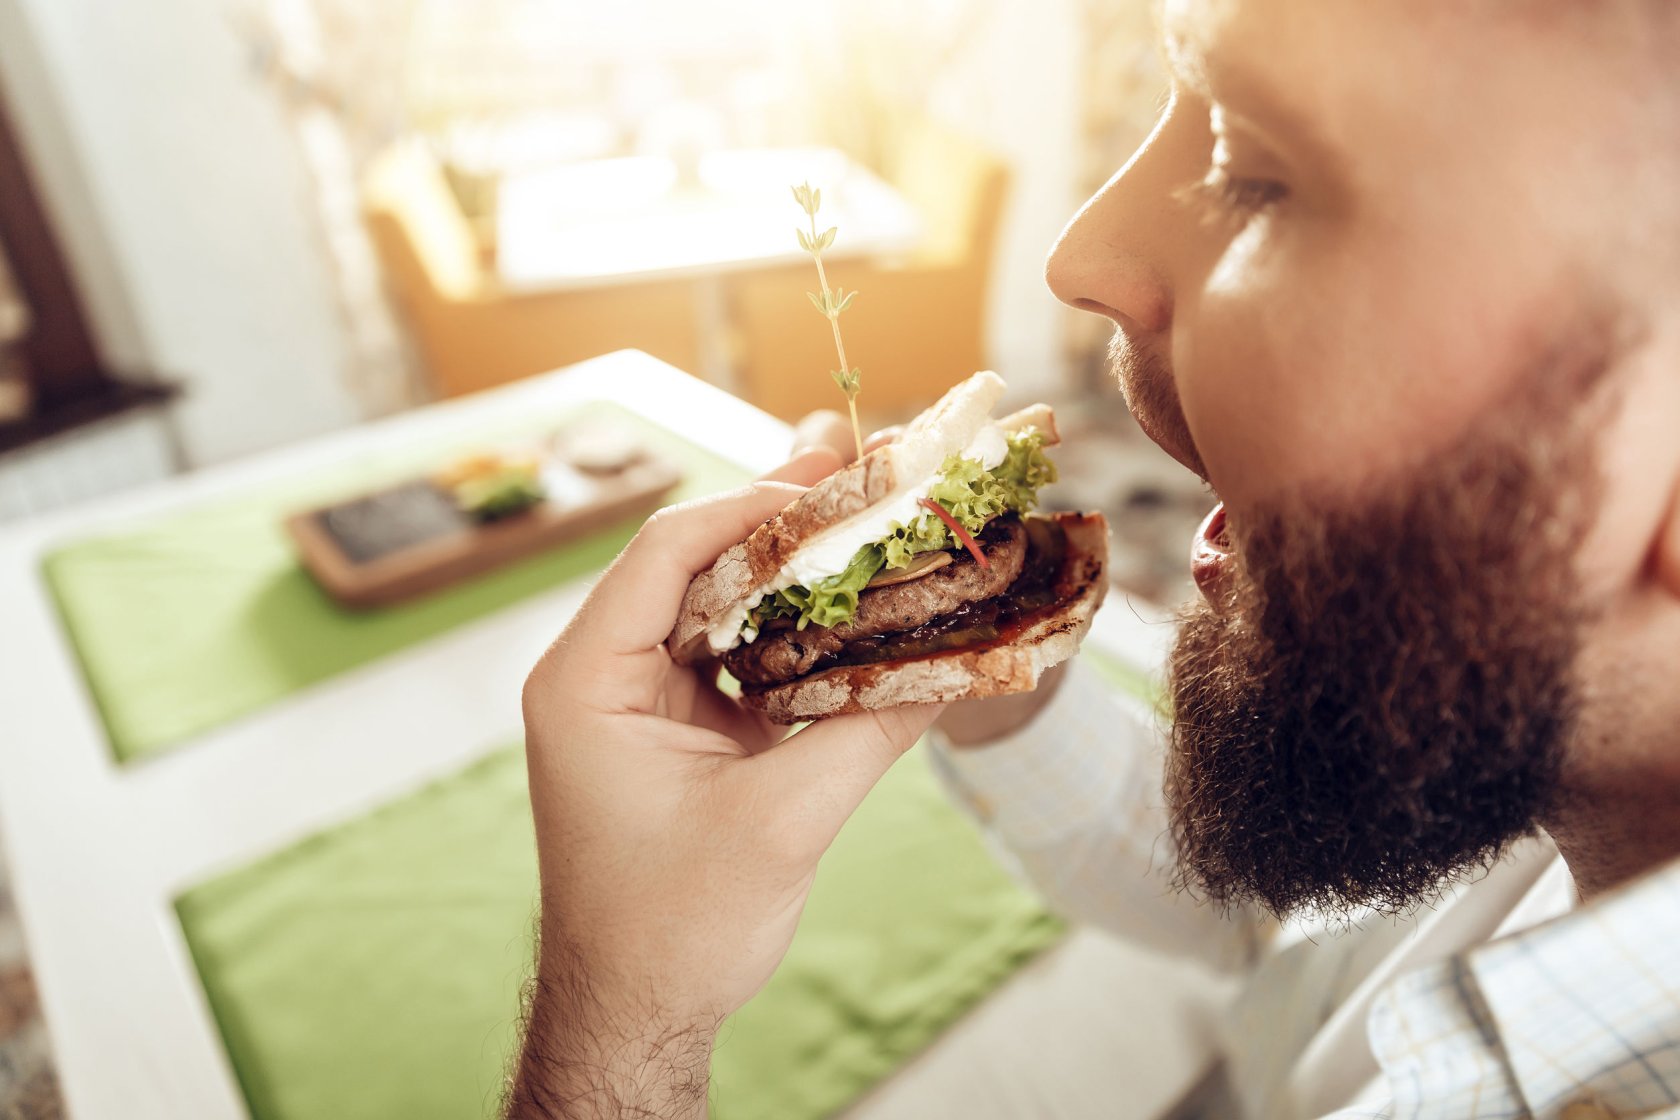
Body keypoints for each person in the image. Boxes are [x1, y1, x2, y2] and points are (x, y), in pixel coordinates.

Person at [504, 0, 1680, 1116]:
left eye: (1252, 170)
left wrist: (612, 1037)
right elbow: (1272, 916)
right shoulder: (1505, 739)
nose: (1079, 257)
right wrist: (970, 676)